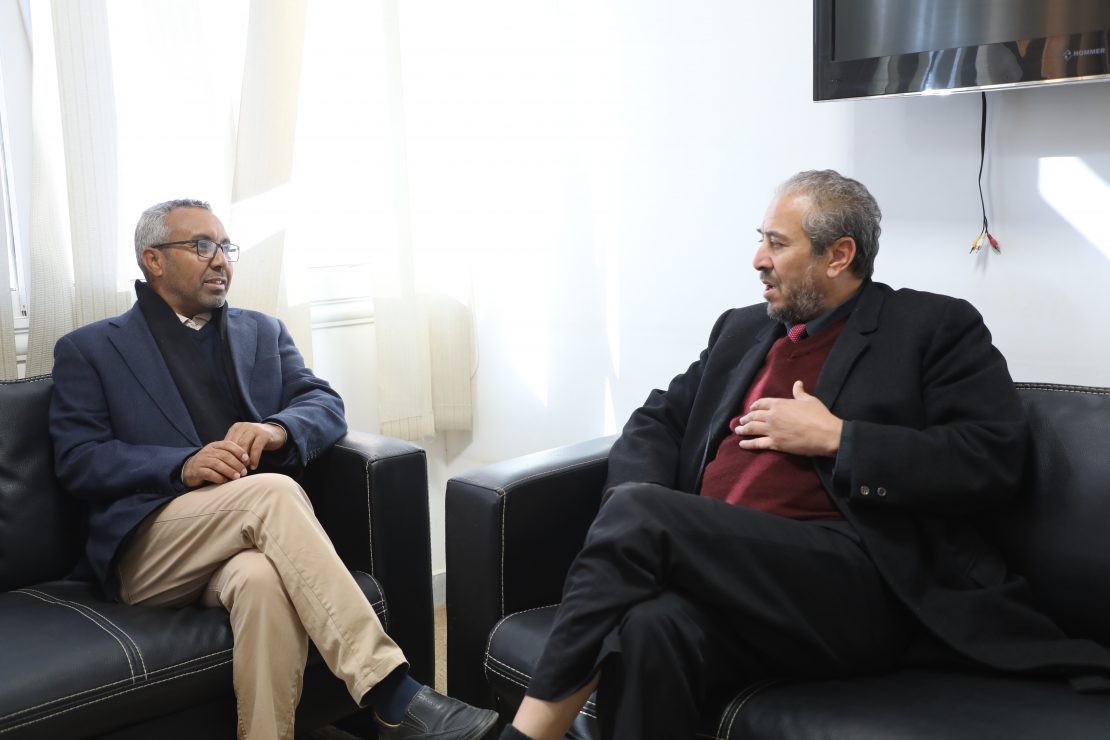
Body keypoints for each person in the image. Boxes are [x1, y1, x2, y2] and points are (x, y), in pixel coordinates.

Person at [498, 170, 1110, 740]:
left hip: (853, 590)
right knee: (650, 628)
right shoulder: (740, 331)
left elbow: (990, 457)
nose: (757, 259)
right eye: (761, 239)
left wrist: (840, 438)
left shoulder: (931, 327)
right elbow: (656, 421)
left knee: (640, 515)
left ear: (838, 255)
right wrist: (651, 515)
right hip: (726, 576)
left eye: (777, 243)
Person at [49, 199, 498, 740]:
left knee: (262, 582)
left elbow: (324, 404)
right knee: (271, 493)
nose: (221, 260)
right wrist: (181, 465)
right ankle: (390, 690)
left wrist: (277, 429)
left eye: (226, 247)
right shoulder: (92, 349)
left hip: (244, 541)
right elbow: (79, 459)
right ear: (154, 260)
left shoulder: (261, 332)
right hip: (151, 547)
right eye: (202, 246)